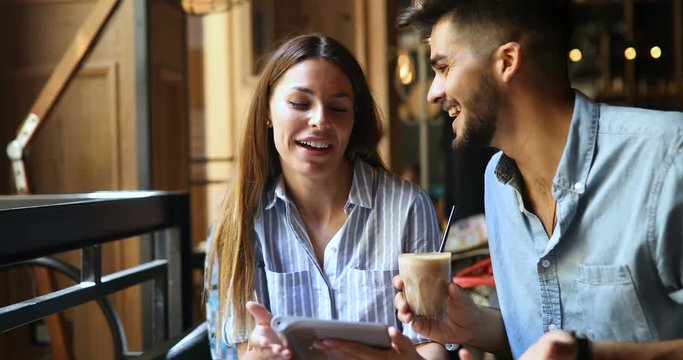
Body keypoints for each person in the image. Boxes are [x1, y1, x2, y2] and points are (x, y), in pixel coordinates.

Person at [316, 1, 683, 359]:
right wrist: (475, 327)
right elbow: (536, 340)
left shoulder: (667, 157)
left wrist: (589, 354)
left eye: (443, 67)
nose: (432, 92)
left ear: (507, 62)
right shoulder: (497, 181)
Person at [204, 33, 448, 359]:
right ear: (267, 112)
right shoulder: (241, 218)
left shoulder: (408, 207)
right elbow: (245, 349)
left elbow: (431, 343)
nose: (320, 120)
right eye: (300, 104)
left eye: (338, 108)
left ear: (354, 121)